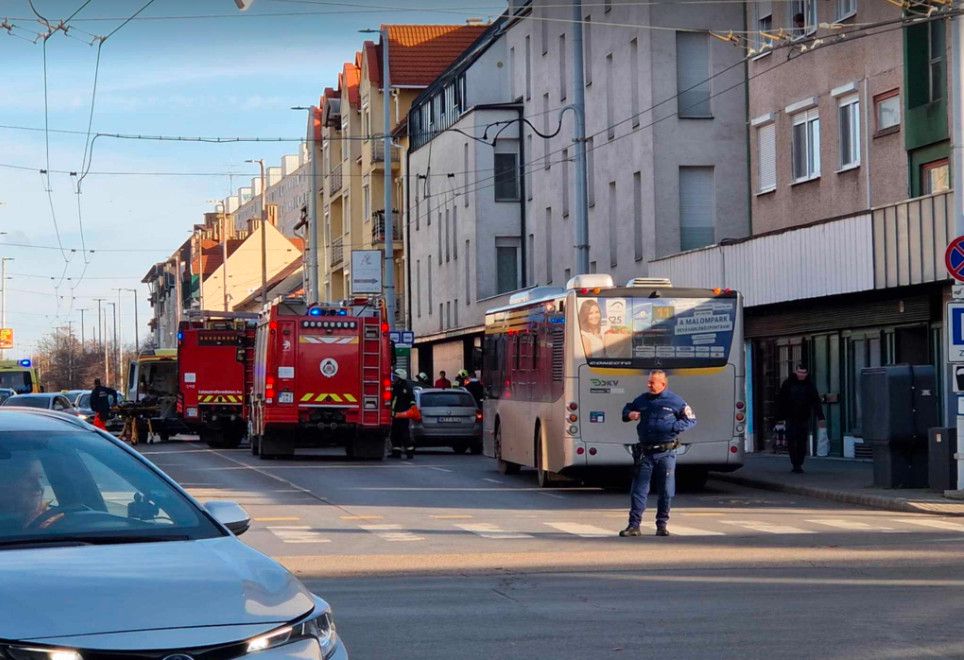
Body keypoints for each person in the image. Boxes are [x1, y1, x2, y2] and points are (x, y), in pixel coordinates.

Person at [619, 370, 697, 538]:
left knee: (666, 491)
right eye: (648, 382)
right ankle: (634, 526)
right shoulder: (642, 400)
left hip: (666, 453)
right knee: (639, 490)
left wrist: (673, 427)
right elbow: (626, 411)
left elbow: (690, 420)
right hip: (645, 453)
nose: (649, 385)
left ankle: (662, 524)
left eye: (652, 382)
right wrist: (629, 414)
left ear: (663, 384)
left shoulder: (675, 401)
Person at [776, 364, 825, 474]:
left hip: (804, 417)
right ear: (796, 372)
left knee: (802, 441)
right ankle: (795, 463)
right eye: (800, 372)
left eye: (804, 373)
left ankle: (799, 463)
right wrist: (779, 417)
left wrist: (820, 417)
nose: (801, 375)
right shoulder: (788, 384)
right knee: (791, 441)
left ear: (806, 374)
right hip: (790, 417)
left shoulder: (809, 385)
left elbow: (816, 401)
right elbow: (781, 400)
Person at [0, 455, 54, 530]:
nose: (40, 486)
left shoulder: (54, 524)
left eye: (40, 477)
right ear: (6, 484)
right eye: (30, 479)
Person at [390, 368, 416, 459]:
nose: (394, 379)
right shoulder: (397, 386)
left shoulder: (406, 387)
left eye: (396, 377)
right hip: (396, 414)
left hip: (403, 414)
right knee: (395, 433)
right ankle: (396, 452)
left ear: (400, 377)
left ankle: (410, 452)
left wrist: (411, 409)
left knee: (404, 433)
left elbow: (412, 400)